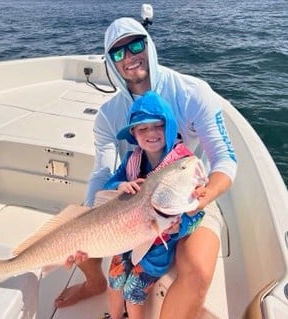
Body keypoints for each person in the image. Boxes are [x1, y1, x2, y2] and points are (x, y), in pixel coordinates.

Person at [55, 17, 237, 319]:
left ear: (149, 46)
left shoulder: (193, 93)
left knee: (198, 272)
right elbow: (103, 172)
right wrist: (90, 215)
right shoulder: (108, 115)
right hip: (134, 200)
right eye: (118, 52)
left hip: (189, 192)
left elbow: (225, 158)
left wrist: (203, 198)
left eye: (136, 45)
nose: (129, 57)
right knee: (74, 231)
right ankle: (95, 281)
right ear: (110, 61)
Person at [105, 90, 205, 319]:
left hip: (157, 248)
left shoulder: (184, 166)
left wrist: (180, 227)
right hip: (126, 235)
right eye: (142, 128)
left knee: (133, 292)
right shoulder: (132, 159)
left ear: (169, 126)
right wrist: (120, 186)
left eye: (158, 125)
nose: (151, 133)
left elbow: (197, 212)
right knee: (114, 281)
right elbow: (111, 183)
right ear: (134, 134)